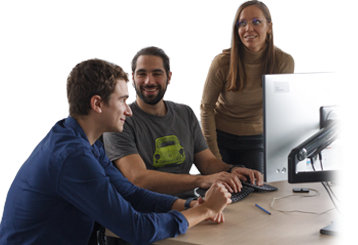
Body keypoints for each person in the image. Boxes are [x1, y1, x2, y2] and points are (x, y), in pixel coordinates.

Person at [0, 59, 232, 245]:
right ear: (97, 104)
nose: (128, 111)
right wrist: (206, 210)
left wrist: (188, 206)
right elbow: (135, 229)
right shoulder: (73, 157)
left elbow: (131, 193)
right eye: (122, 100)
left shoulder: (84, 140)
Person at [103, 46, 263, 202]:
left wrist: (232, 170)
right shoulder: (120, 120)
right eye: (142, 74)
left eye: (157, 73)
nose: (149, 81)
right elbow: (139, 179)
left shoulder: (184, 113)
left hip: (192, 202)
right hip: (149, 211)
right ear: (133, 77)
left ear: (169, 77)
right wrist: (200, 180)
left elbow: (207, 163)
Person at [200, 0, 295, 173]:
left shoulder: (283, 62)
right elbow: (206, 108)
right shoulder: (222, 62)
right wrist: (215, 159)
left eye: (256, 22)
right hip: (220, 137)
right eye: (242, 23)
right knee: (224, 191)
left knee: (257, 190)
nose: (248, 29)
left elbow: (282, 112)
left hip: (255, 140)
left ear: (269, 26)